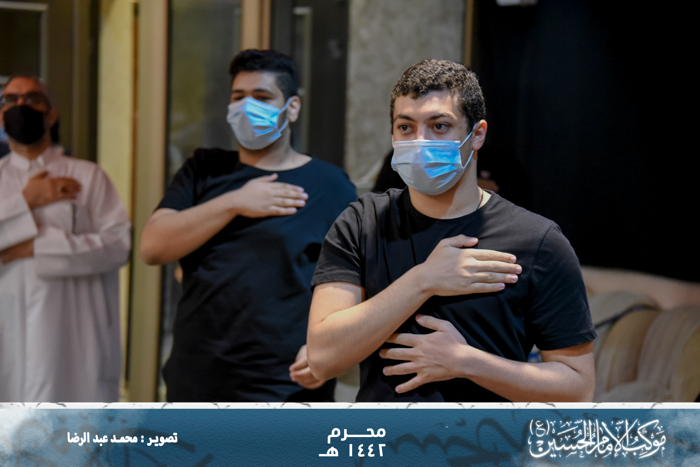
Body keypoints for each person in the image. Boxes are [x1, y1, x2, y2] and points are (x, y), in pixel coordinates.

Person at [307, 59, 596, 402]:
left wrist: (465, 362)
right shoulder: (362, 223)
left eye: (439, 126)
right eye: (405, 127)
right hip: (381, 435)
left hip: (485, 436)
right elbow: (322, 359)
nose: (420, 141)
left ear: (477, 135)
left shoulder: (538, 241)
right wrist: (423, 280)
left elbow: (578, 388)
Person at [140, 49, 356, 402]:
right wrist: (235, 202)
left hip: (285, 384)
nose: (246, 106)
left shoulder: (330, 186)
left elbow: (355, 282)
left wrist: (328, 347)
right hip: (196, 378)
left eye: (262, 97)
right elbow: (153, 247)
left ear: (292, 108)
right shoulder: (204, 169)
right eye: (238, 96)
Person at [0, 75, 131, 402]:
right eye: (11, 99)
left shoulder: (88, 176)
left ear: (51, 115)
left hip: (73, 347)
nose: (21, 105)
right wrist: (26, 202)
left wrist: (36, 247)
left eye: (32, 98)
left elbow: (119, 245)